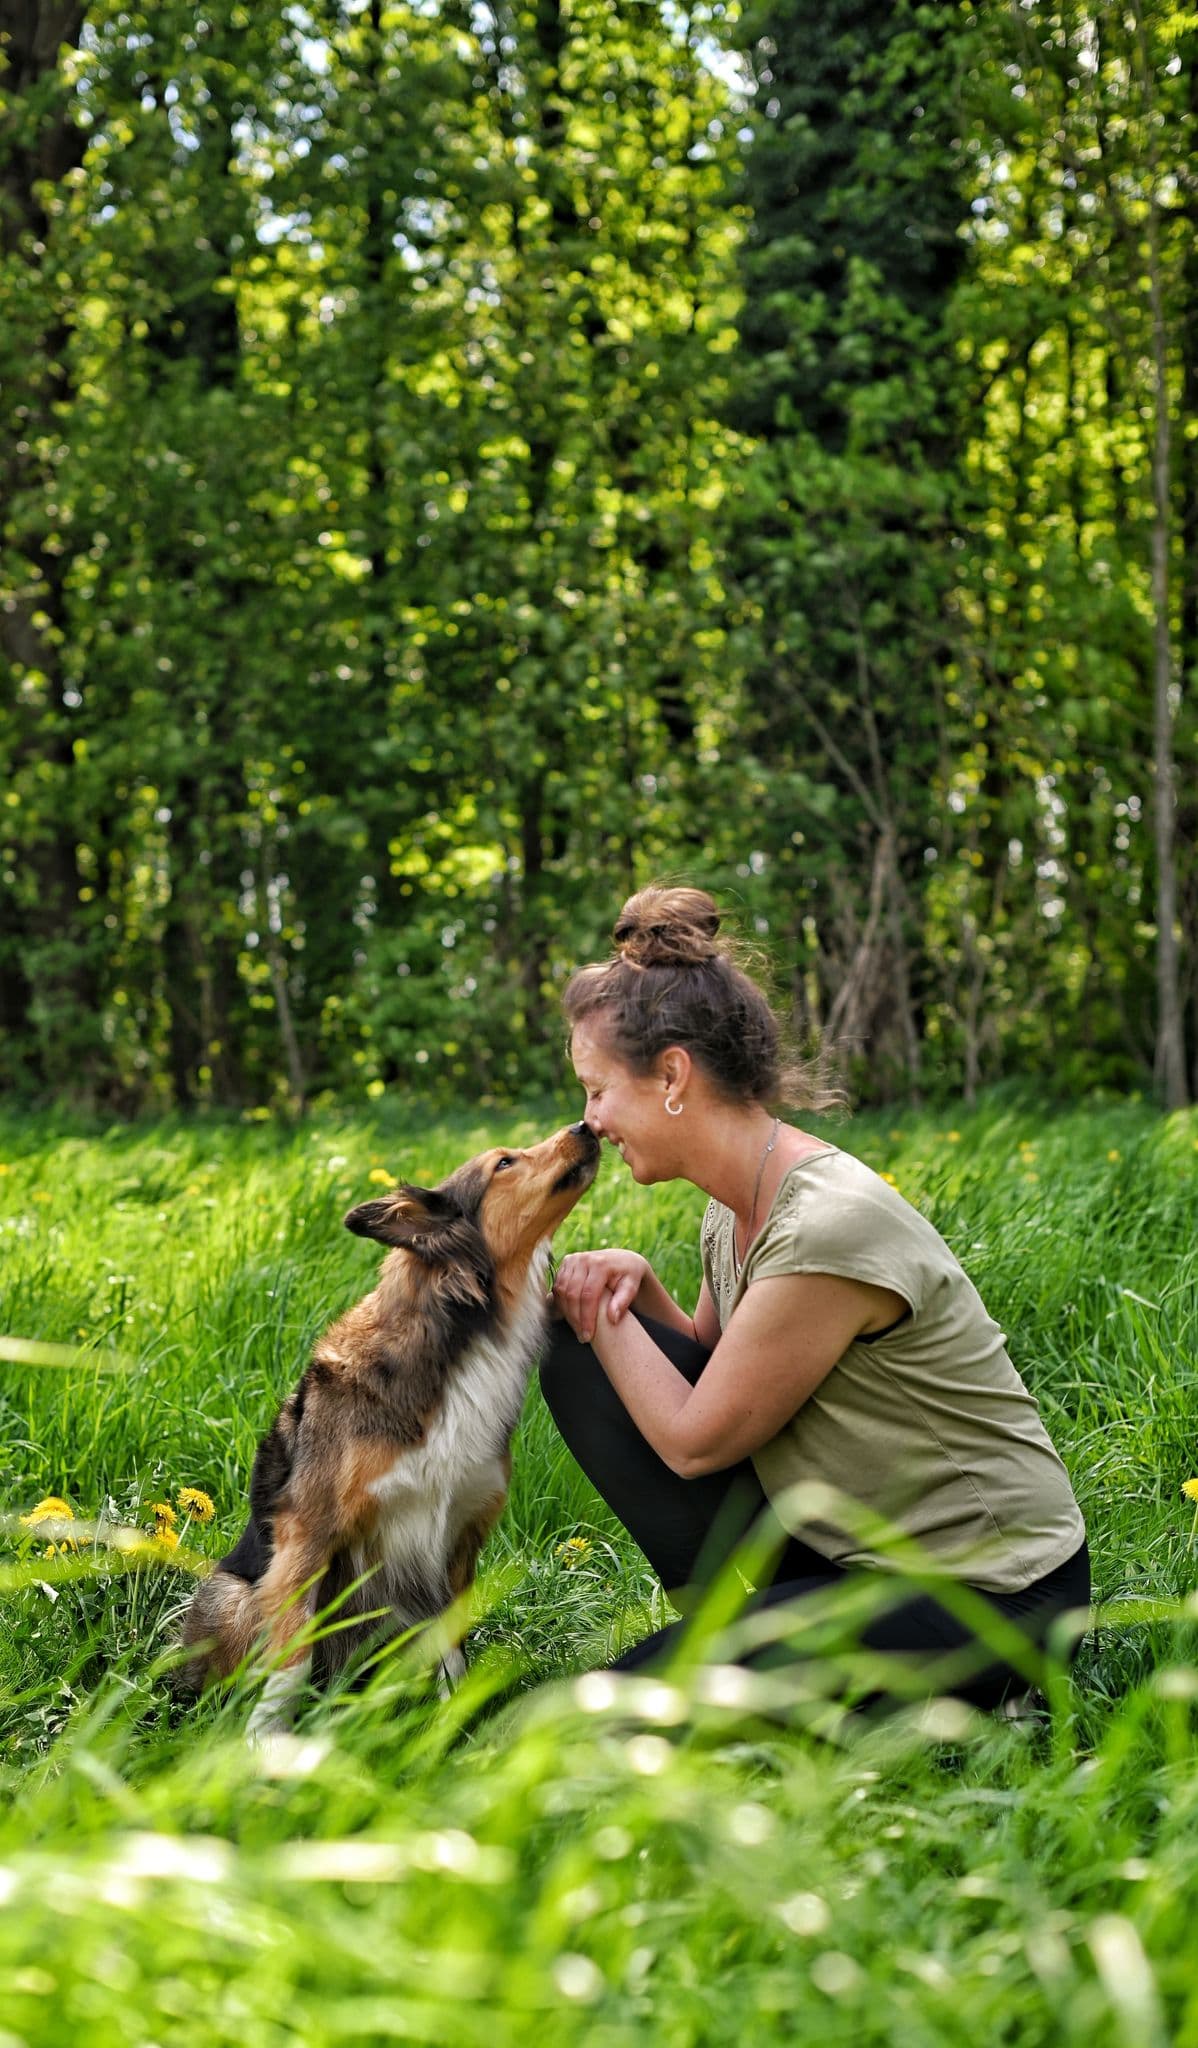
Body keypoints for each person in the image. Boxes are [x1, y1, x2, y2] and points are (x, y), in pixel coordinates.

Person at [541, 885, 1089, 1712]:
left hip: (994, 1596)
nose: (590, 1120)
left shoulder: (826, 1226)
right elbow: (721, 1367)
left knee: (616, 1714)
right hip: (854, 1555)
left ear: (673, 1075)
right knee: (577, 1356)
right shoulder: (738, 1201)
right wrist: (637, 1287)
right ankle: (751, 1638)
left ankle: (988, 1697)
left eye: (597, 1089)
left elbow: (695, 1442)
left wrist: (602, 1312)